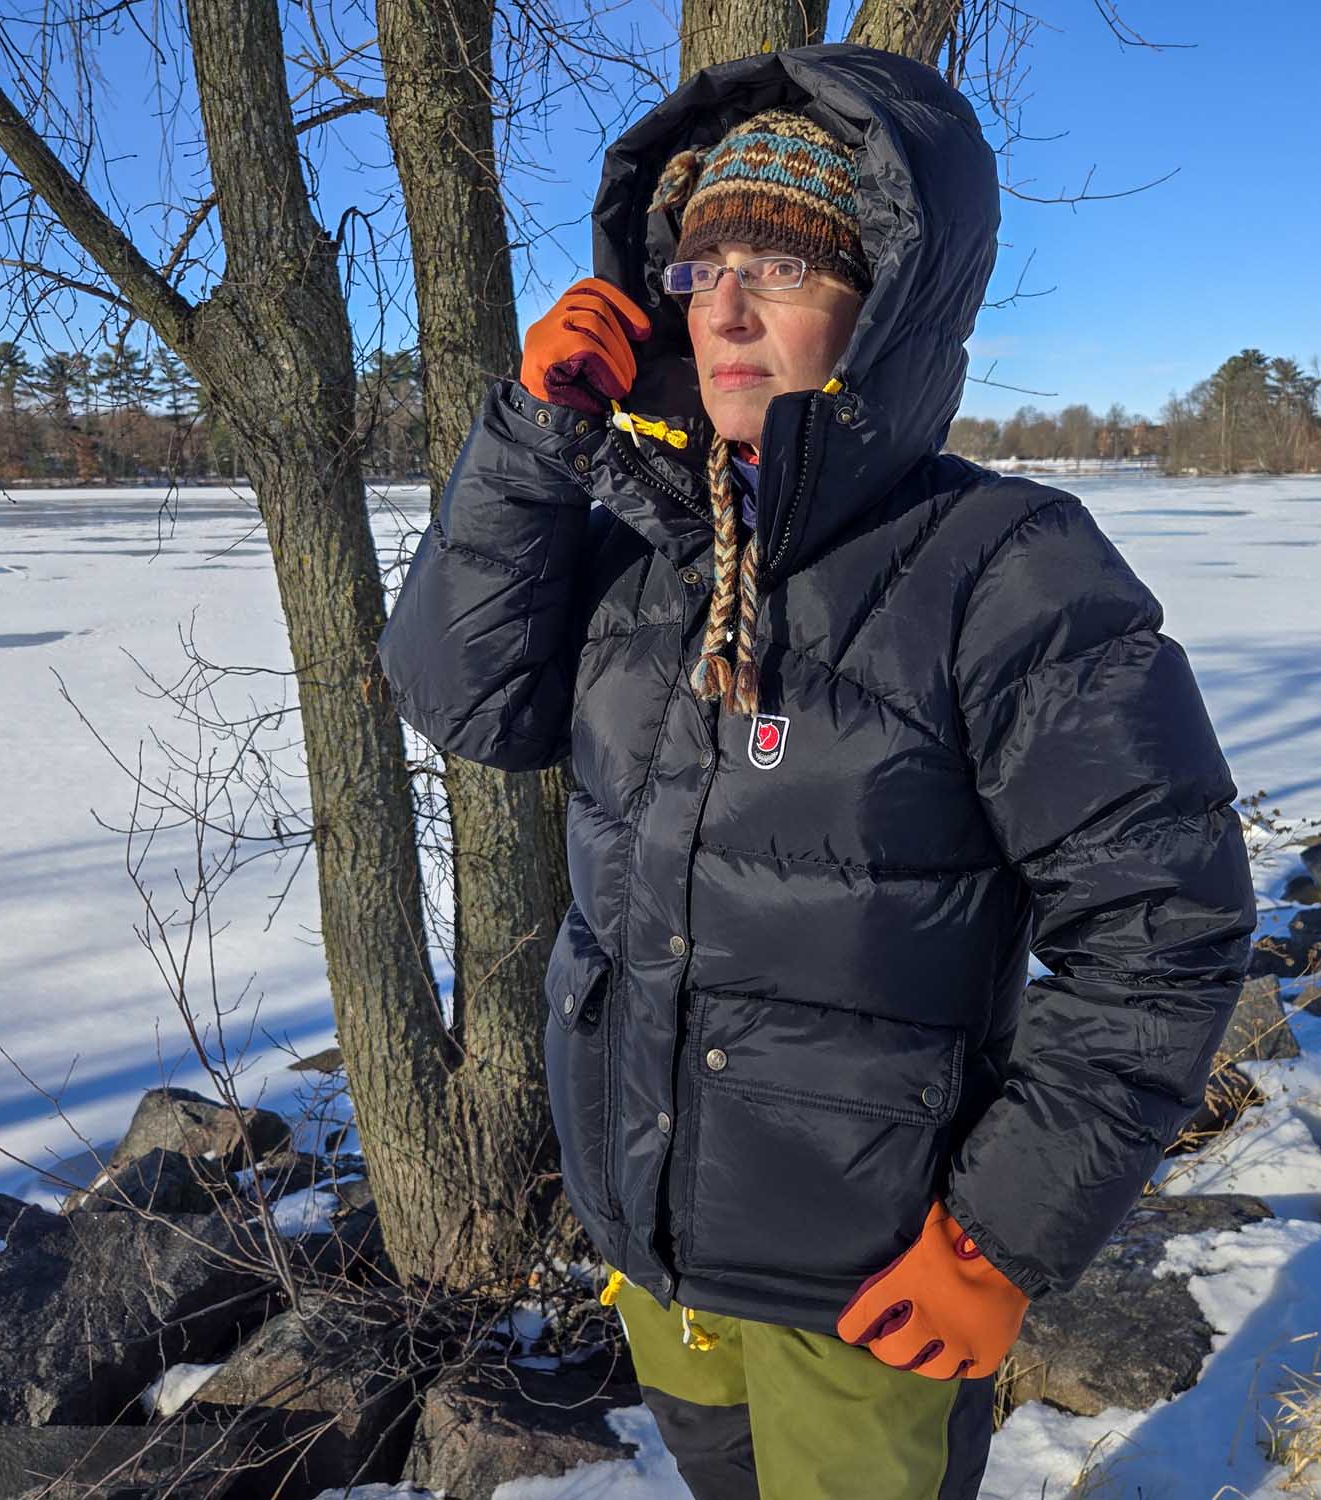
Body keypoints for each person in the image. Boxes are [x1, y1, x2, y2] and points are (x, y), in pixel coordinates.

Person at [377, 42, 1256, 1500]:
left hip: (871, 1295)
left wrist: (996, 1242)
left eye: (780, 270)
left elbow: (1165, 933)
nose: (720, 307)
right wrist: (533, 447)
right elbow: (463, 699)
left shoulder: (1007, 571)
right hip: (655, 1254)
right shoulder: (646, 549)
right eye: (701, 260)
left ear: (883, 303)